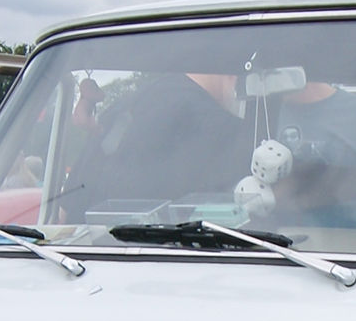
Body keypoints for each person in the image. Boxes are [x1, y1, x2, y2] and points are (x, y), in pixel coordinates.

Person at [62, 71, 251, 220]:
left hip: (72, 260)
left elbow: (65, 216)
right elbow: (257, 211)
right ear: (232, 76)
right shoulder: (224, 129)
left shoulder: (115, 114)